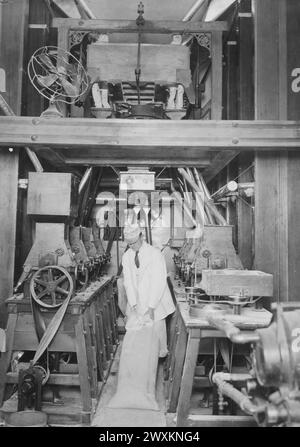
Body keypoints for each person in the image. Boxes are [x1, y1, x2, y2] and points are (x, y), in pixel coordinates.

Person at [121, 223, 175, 357]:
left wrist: (151, 306)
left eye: (133, 243)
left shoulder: (155, 254)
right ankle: (142, 360)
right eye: (129, 244)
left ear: (141, 237)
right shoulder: (127, 256)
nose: (131, 246)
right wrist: (133, 303)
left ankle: (160, 358)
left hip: (156, 300)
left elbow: (158, 282)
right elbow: (128, 281)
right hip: (137, 300)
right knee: (137, 333)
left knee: (156, 332)